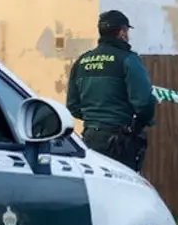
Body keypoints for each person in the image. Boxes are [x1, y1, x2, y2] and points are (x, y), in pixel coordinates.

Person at [66, 10, 157, 172]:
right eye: (127, 32)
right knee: (123, 187)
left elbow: (73, 105)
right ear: (122, 32)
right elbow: (144, 102)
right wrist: (140, 123)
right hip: (120, 140)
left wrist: (94, 117)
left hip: (90, 137)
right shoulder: (128, 59)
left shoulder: (82, 61)